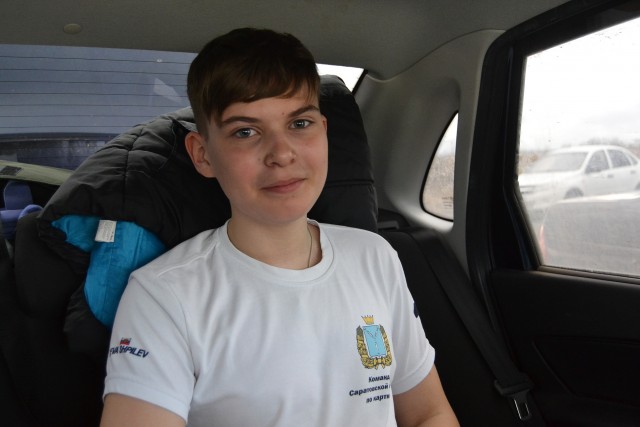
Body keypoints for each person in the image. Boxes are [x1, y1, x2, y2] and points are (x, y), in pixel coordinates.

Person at [100, 28, 459, 427]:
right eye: (245, 132)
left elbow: (428, 412)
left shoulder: (375, 256)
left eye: (300, 123)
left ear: (324, 131)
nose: (282, 154)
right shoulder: (164, 296)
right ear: (203, 155)